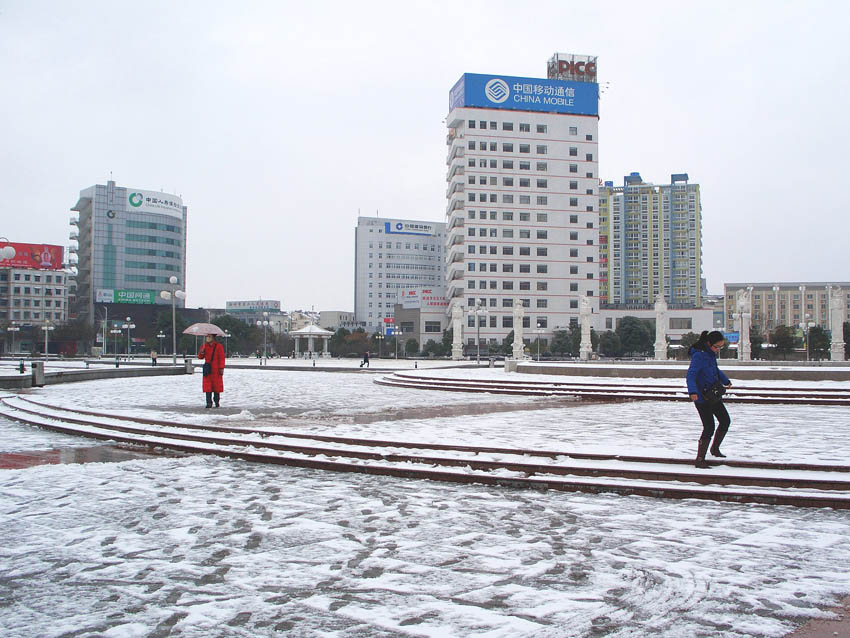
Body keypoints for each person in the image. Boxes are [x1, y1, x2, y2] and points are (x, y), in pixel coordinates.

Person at [686, 330, 732, 468]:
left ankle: (715, 449)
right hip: (701, 397)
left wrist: (726, 380)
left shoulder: (710, 355)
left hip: (713, 394)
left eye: (720, 347)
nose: (718, 350)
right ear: (708, 343)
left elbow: (715, 370)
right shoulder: (699, 356)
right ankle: (700, 459)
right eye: (716, 347)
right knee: (709, 427)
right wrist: (693, 392)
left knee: (725, 420)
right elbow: (691, 375)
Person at [198, 334, 225, 408]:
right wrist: (202, 352)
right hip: (208, 369)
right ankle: (208, 402)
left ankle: (217, 401)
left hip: (216, 370)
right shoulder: (204, 346)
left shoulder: (219, 346)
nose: (207, 338)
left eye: (209, 336)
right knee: (207, 387)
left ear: (213, 337)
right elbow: (200, 357)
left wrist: (221, 368)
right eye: (207, 337)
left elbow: (222, 358)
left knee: (217, 387)